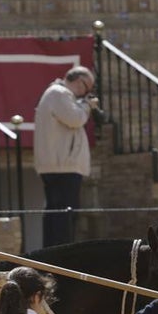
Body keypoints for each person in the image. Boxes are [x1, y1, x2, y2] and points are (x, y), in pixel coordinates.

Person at [33, 65, 99, 248]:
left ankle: (54, 255)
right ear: (80, 82)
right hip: (62, 167)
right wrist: (87, 105)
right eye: (87, 88)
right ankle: (60, 256)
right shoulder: (58, 93)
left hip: (59, 165)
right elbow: (75, 118)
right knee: (64, 216)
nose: (86, 92)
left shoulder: (56, 94)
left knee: (57, 214)